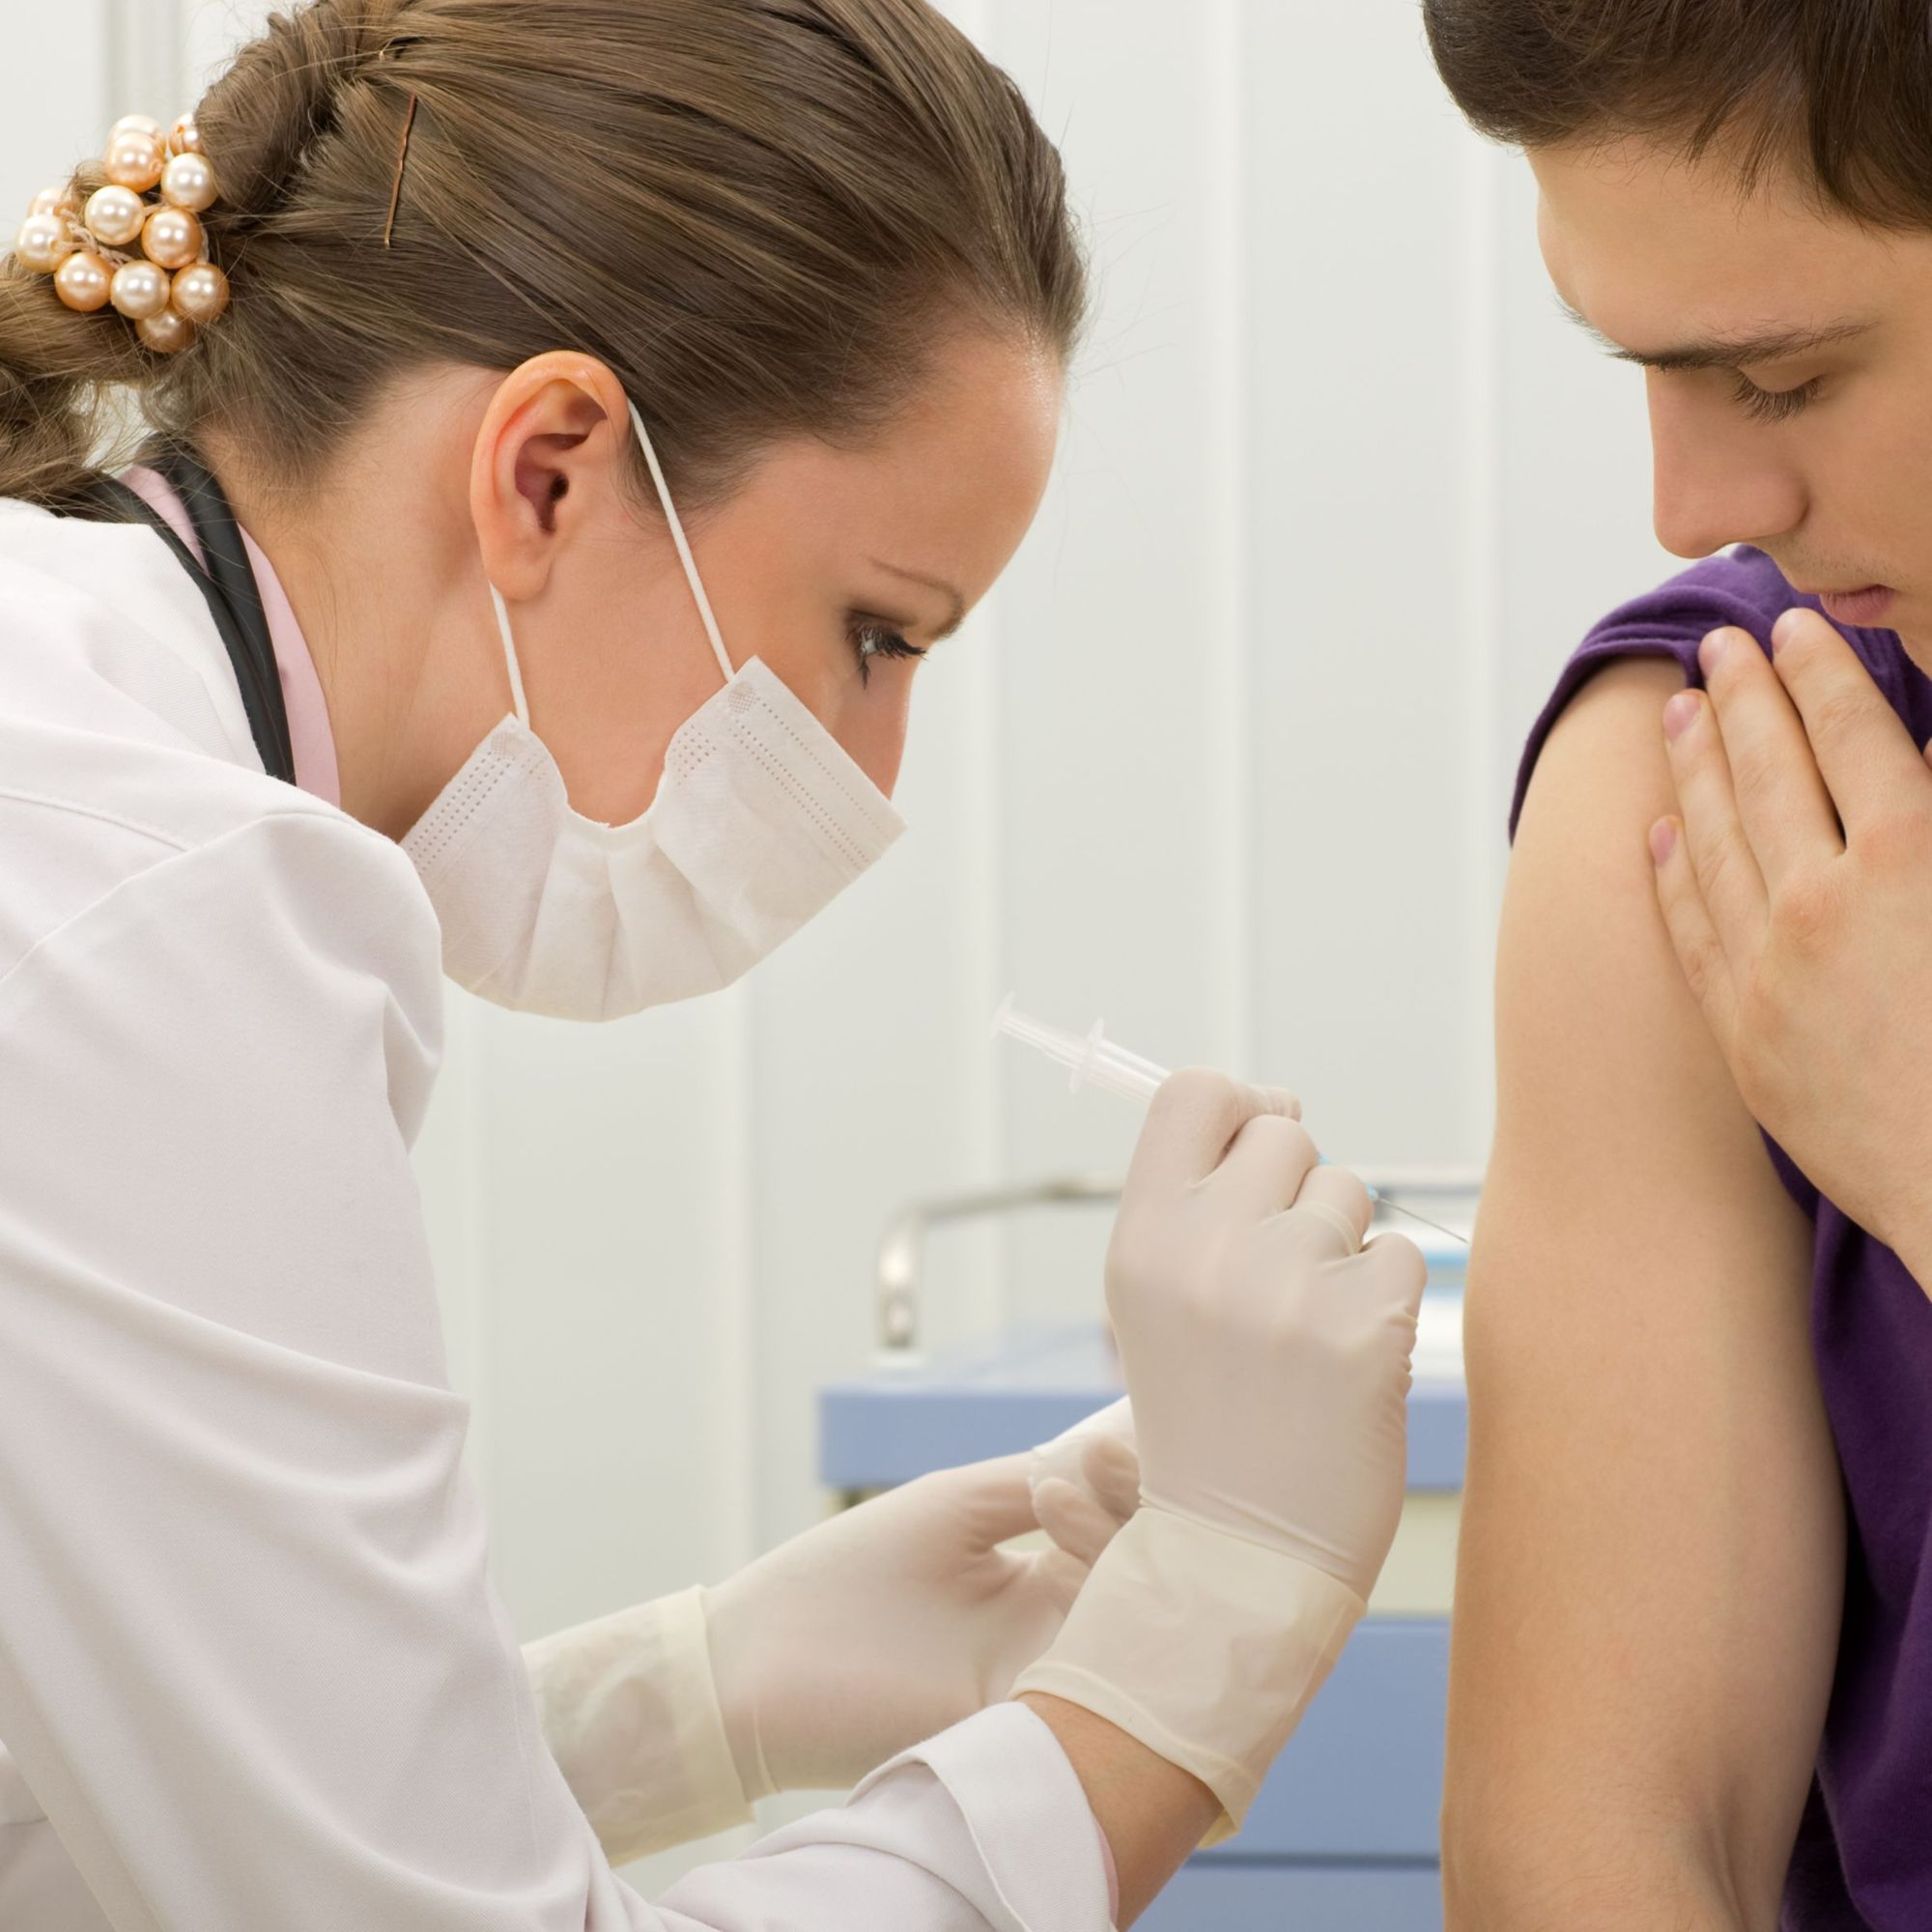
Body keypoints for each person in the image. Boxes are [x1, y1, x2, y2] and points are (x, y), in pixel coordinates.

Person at [0, 3, 1427, 1927]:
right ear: (552, 473)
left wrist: (683, 1698)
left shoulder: (84, 770)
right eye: (874, 635)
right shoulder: (155, 906)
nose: (878, 772)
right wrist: (1177, 1676)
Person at [1418, 2, 1932, 1925]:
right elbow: (1600, 1854)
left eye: (1786, 379)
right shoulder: (1715, 778)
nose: (1696, 505)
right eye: (1645, 368)